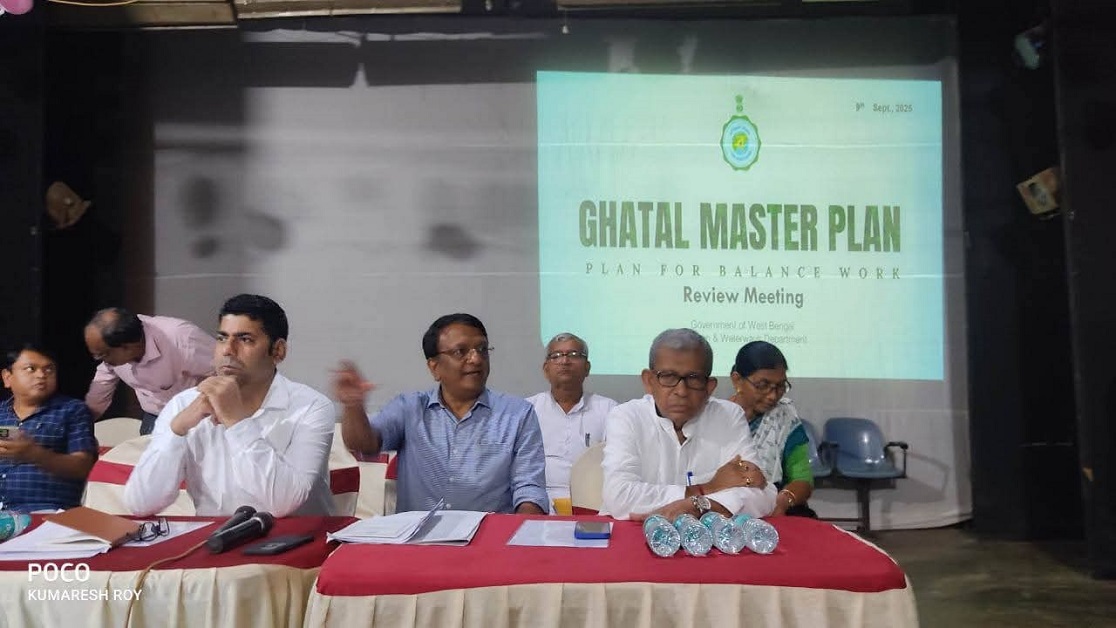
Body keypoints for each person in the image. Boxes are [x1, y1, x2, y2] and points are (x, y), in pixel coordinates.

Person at [124, 294, 335, 517]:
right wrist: (176, 432)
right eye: (222, 338)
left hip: (298, 534)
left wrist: (237, 422)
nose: (227, 350)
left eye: (245, 340)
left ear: (278, 351)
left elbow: (282, 503)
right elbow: (140, 504)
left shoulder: (311, 407)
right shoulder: (183, 405)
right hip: (217, 536)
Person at [335, 313, 548, 514]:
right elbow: (363, 444)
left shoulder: (517, 414)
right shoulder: (409, 408)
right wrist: (353, 405)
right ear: (434, 367)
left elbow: (529, 489)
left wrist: (521, 532)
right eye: (461, 352)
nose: (476, 359)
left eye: (482, 349)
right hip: (422, 536)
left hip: (490, 535)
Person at [601, 329, 776, 521]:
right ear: (649, 381)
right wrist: (706, 489)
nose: (681, 391)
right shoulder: (627, 416)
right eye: (668, 376)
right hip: (635, 533)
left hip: (708, 534)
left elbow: (763, 492)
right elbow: (619, 496)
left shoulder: (729, 416)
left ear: (709, 387)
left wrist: (701, 506)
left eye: (693, 378)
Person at [84, 307, 216, 435]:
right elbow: (102, 385)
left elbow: (222, 371)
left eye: (102, 355)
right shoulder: (113, 355)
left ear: (127, 347)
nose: (100, 360)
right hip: (154, 414)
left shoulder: (181, 338)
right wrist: (82, 422)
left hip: (194, 416)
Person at [0, 344, 98, 512]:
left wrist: (35, 454)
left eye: (49, 369)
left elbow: (83, 467)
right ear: (7, 377)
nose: (41, 375)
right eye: (31, 369)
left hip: (46, 511)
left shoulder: (72, 410)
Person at [526, 333, 617, 509]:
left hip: (593, 504)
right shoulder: (529, 409)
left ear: (587, 368)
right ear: (546, 369)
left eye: (574, 355)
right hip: (538, 503)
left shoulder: (609, 410)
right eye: (556, 356)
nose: (565, 361)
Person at [728, 341, 816, 517]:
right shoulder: (716, 418)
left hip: (774, 506)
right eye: (762, 385)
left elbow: (802, 478)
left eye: (780, 386)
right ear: (737, 380)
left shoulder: (784, 417)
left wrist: (783, 501)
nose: (773, 395)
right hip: (724, 508)